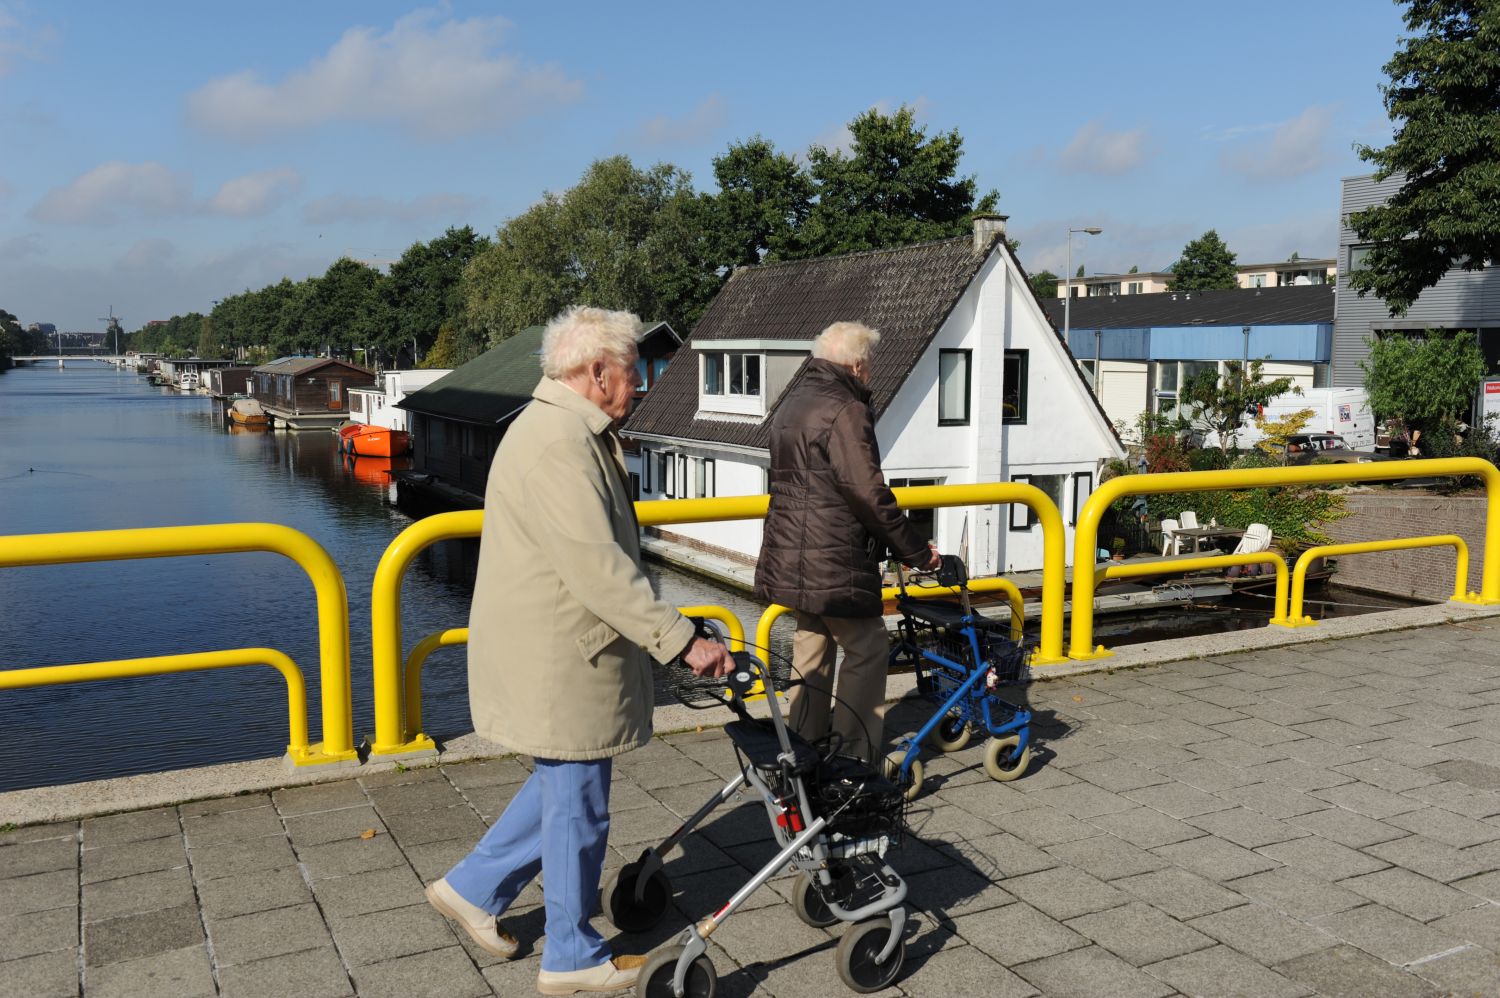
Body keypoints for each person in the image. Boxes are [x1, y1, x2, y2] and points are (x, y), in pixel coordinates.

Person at [424, 306, 734, 996]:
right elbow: (600, 568)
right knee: (578, 803)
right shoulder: (563, 443)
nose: (639, 388)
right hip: (567, 652)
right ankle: (570, 955)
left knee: (565, 789)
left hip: (556, 645)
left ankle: (472, 889)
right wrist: (683, 641)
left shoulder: (555, 429)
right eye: (632, 375)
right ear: (596, 372)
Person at [755, 321, 941, 766]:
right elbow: (868, 494)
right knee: (867, 647)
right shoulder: (845, 410)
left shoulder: (791, 403)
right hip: (834, 557)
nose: (870, 373)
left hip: (791, 553)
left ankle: (802, 747)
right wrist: (916, 552)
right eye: (869, 365)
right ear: (857, 365)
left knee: (812, 645)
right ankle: (854, 760)